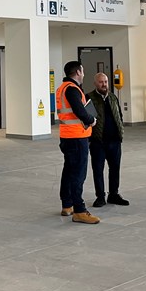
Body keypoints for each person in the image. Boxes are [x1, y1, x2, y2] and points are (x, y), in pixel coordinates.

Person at [55, 61, 99, 224]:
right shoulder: (72, 89)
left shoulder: (63, 88)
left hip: (67, 136)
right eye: (83, 70)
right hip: (76, 137)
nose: (84, 73)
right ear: (78, 72)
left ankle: (67, 205)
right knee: (78, 174)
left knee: (69, 170)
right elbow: (79, 111)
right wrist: (91, 120)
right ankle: (79, 210)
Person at [89, 72, 129, 208]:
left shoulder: (112, 97)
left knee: (115, 169)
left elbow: (119, 115)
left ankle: (114, 194)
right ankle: (100, 197)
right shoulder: (90, 98)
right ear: (95, 83)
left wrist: (120, 132)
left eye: (105, 81)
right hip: (98, 141)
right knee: (98, 170)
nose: (104, 84)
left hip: (114, 141)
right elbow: (88, 119)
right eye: (101, 82)